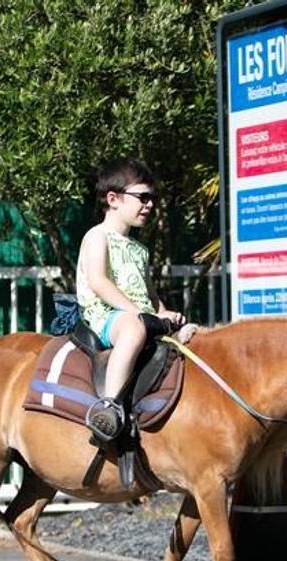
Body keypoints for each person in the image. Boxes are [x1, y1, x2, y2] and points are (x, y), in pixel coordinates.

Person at [75, 158, 188, 442]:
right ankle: (110, 407)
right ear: (113, 199)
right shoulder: (98, 236)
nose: (149, 205)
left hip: (138, 315)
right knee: (133, 329)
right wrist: (140, 314)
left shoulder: (139, 249)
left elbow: (151, 297)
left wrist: (165, 314)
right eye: (142, 197)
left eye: (152, 199)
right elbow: (99, 282)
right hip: (106, 315)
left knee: (187, 334)